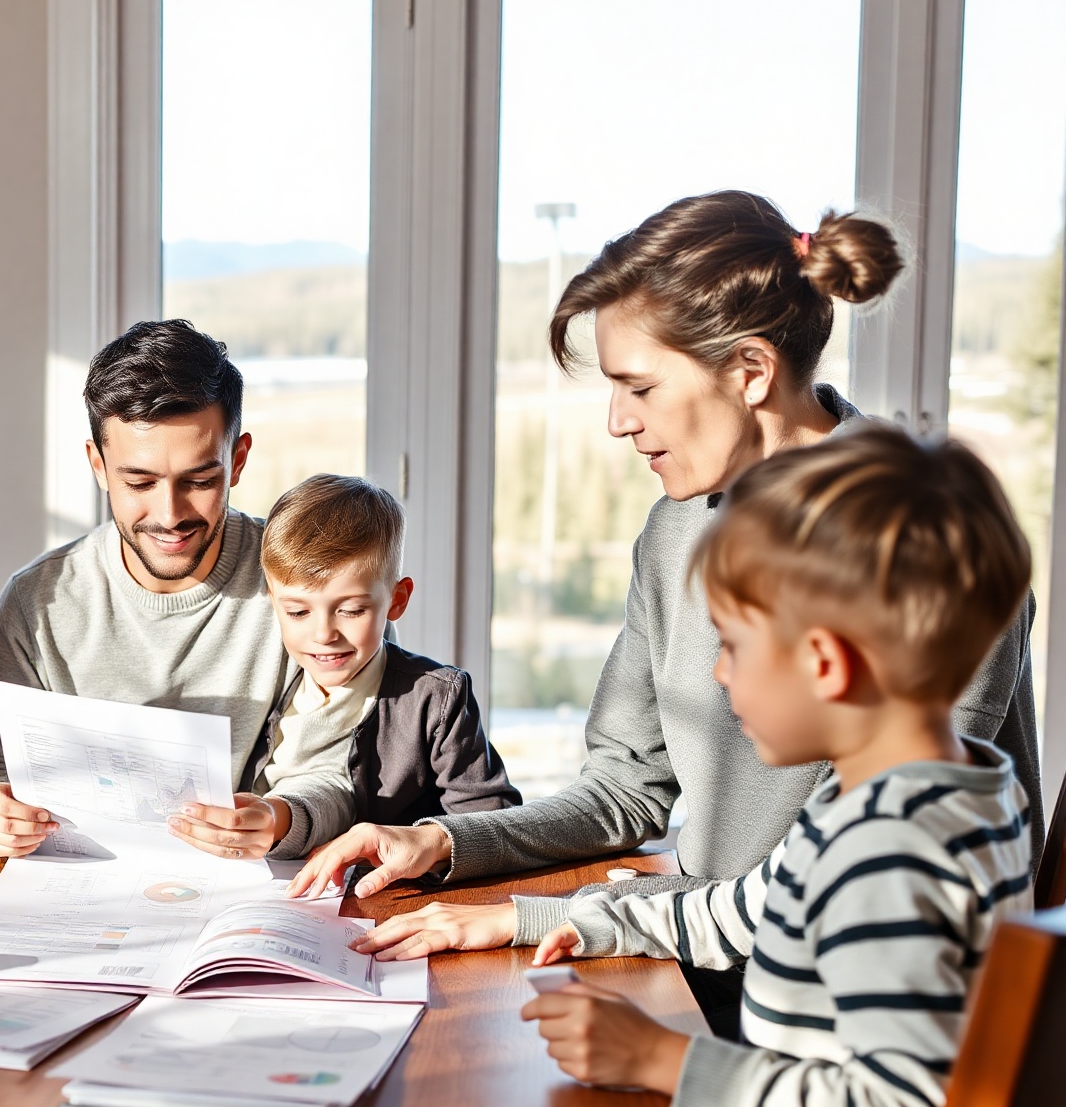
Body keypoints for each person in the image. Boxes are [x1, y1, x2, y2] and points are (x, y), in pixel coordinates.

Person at [293, 192, 1041, 1030]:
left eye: (638, 386)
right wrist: (446, 843)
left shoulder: (923, 542)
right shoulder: (676, 530)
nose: (618, 422)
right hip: (702, 970)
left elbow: (829, 881)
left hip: (834, 1027)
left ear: (750, 371)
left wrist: (567, 920)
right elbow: (624, 790)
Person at [509, 425, 1032, 1107]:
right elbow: (743, 912)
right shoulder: (930, 793)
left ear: (826, 664)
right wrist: (554, 920)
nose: (715, 673)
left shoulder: (891, 859)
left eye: (733, 645)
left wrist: (661, 1061)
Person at [0, 319, 354, 863]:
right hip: (86, 893)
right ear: (98, 466)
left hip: (265, 885)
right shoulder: (36, 604)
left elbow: (342, 771)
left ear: (238, 461)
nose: (170, 515)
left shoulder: (308, 586)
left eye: (199, 481)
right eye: (140, 483)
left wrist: (280, 818)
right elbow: (3, 768)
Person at [243, 473, 518, 843]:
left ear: (397, 600)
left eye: (352, 610)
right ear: (272, 600)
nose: (324, 635)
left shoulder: (436, 700)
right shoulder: (270, 674)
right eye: (297, 612)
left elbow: (494, 822)